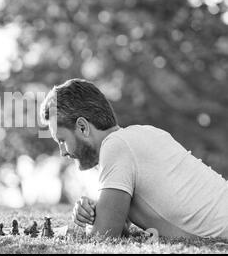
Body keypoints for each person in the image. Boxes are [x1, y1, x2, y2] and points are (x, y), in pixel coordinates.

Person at [40, 78, 228, 239]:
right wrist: (94, 211)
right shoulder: (142, 135)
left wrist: (93, 223)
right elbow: (120, 224)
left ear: (82, 127)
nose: (62, 152)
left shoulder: (117, 146)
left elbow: (103, 236)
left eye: (62, 140)